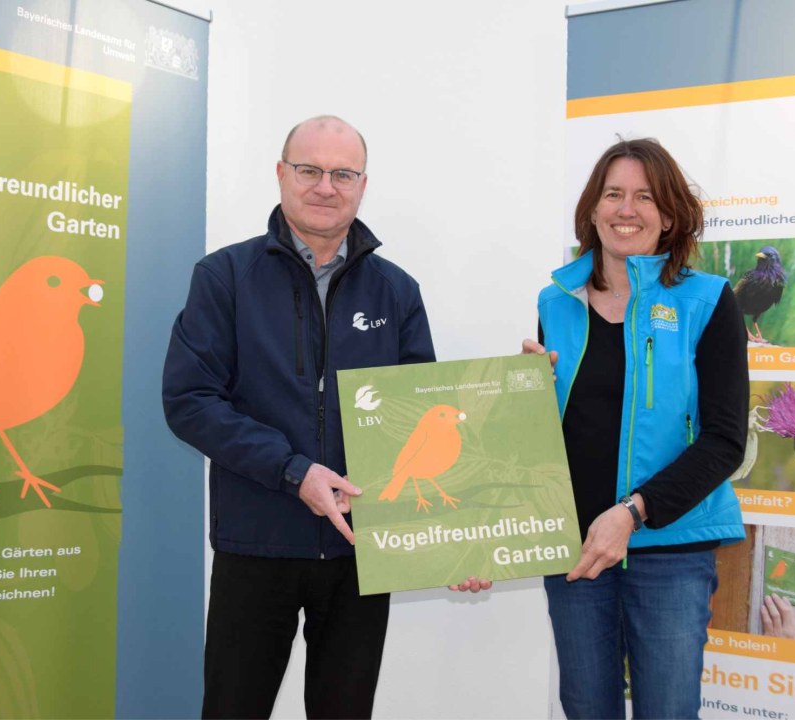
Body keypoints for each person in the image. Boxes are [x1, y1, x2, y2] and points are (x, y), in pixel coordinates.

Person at [163, 115, 485, 720]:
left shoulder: (397, 291)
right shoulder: (224, 277)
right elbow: (190, 401)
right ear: (281, 174)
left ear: (363, 184)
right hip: (257, 544)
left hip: (361, 553)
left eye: (342, 173)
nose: (325, 186)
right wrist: (293, 471)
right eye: (309, 170)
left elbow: (423, 417)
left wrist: (460, 543)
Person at [523, 137, 748, 719]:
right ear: (592, 210)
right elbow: (551, 435)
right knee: (586, 709)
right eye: (613, 194)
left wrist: (632, 512)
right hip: (574, 547)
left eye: (645, 197)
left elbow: (725, 440)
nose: (627, 209)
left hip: (669, 548)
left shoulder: (708, 300)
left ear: (669, 214)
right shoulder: (556, 302)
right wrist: (525, 396)